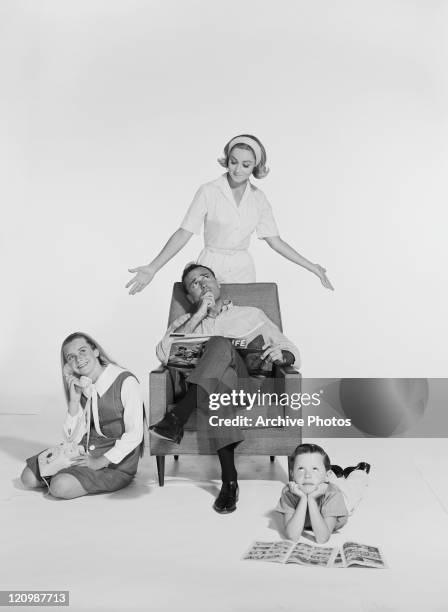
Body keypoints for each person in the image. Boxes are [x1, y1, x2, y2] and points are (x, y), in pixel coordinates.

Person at [150, 263, 300, 514]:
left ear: (217, 283)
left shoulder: (252, 314)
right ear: (190, 296)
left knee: (219, 343)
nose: (203, 284)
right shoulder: (184, 322)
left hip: (246, 388)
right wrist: (199, 315)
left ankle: (178, 417)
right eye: (194, 284)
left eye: (206, 278)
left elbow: (291, 349)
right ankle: (230, 481)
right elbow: (164, 354)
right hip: (211, 392)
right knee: (215, 388)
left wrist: (282, 354)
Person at [126, 134, 333, 292]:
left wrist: (311, 267)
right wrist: (152, 268)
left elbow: (276, 242)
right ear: (227, 160)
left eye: (246, 165)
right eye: (233, 162)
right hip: (209, 267)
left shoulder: (258, 198)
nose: (237, 170)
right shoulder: (209, 191)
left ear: (255, 167)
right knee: (207, 328)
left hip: (243, 270)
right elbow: (184, 233)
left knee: (240, 328)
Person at [20, 332, 144, 499]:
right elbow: (72, 438)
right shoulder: (84, 384)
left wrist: (100, 462)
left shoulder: (126, 382)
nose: (78, 359)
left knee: (60, 487)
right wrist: (73, 403)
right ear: (67, 366)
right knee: (27, 478)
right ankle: (68, 475)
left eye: (83, 351)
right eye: (71, 357)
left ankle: (65, 478)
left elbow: (135, 434)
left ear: (96, 351)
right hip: (85, 450)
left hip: (114, 462)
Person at [276, 443, 370, 543]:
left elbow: (322, 538)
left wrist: (311, 499)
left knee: (354, 487)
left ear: (326, 475)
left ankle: (358, 471)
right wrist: (303, 499)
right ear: (292, 475)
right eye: (301, 468)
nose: (307, 475)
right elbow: (292, 536)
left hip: (342, 499)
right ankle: (333, 471)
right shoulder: (289, 492)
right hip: (321, 482)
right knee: (319, 479)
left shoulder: (333, 493)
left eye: (314, 469)